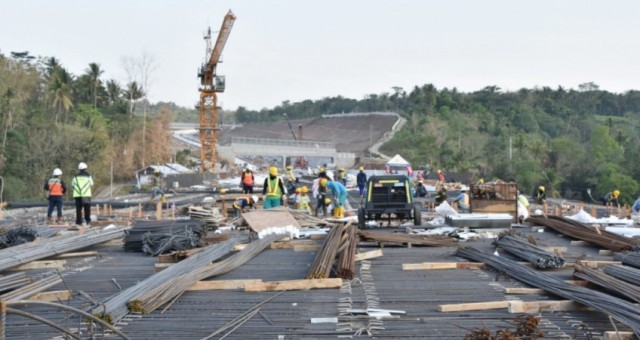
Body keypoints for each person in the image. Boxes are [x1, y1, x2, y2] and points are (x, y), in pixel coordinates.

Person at [72, 162, 94, 227]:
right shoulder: (88, 175)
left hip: (78, 195)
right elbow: (91, 184)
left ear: (79, 169)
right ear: (85, 168)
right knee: (87, 209)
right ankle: (88, 221)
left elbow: (72, 184)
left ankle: (79, 222)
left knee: (78, 209)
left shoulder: (75, 176)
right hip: (86, 195)